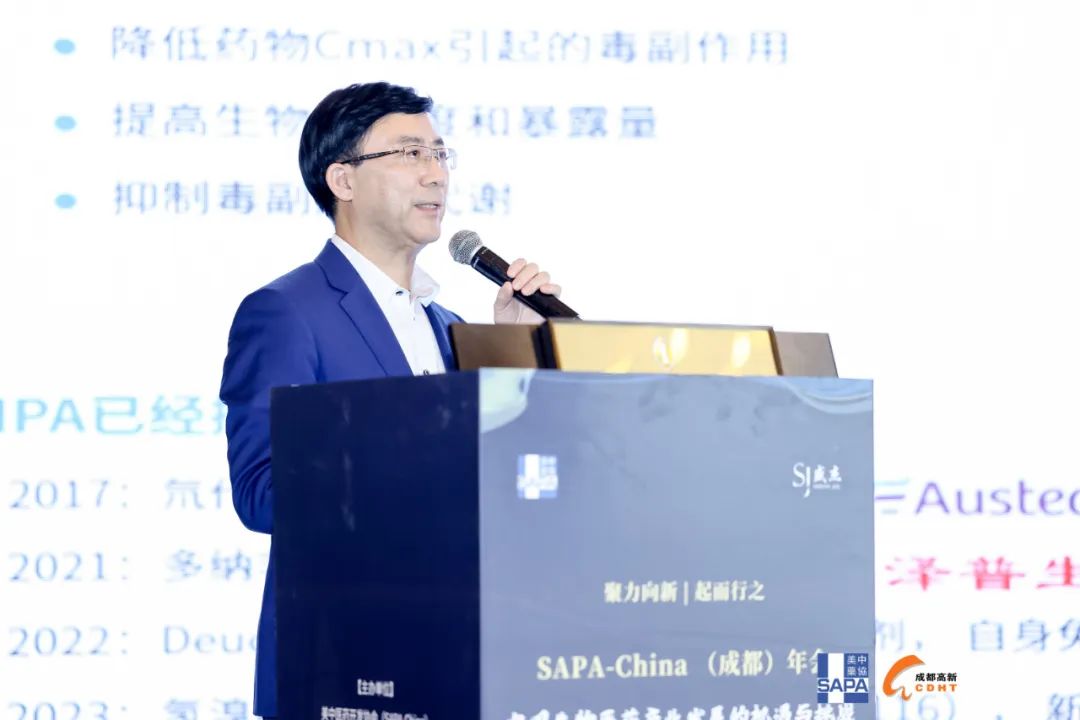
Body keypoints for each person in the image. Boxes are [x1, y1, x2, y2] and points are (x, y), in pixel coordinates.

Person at [218, 81, 562, 719]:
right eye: (409, 154)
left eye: (440, 154)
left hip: (457, 667)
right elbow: (262, 494)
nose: (436, 174)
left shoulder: (449, 327)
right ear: (342, 180)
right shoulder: (287, 313)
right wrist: (407, 447)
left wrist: (514, 353)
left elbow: (502, 485)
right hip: (346, 677)